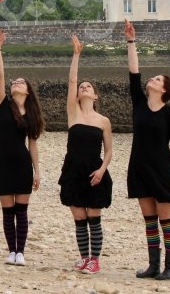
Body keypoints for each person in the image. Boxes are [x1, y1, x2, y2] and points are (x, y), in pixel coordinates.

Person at [124, 19, 170, 281]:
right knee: (149, 220)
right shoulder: (139, 103)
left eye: (158, 79)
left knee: (165, 220)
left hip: (161, 169)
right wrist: (131, 40)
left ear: (164, 90)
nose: (153, 79)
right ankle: (153, 266)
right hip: (138, 167)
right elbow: (134, 72)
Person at [58, 34, 113, 274]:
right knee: (79, 217)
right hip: (73, 170)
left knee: (94, 217)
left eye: (88, 87)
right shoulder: (74, 113)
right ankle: (83, 257)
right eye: (82, 87)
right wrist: (76, 55)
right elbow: (71, 81)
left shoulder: (103, 121)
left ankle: (95, 259)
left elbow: (109, 150)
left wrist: (102, 170)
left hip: (94, 171)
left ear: (95, 95)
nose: (83, 87)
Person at [0, 28, 45, 266]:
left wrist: (38, 171)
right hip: (2, 162)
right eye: (15, 81)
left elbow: (32, 144)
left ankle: (20, 252)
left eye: (21, 82)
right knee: (7, 211)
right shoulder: (2, 104)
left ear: (28, 91)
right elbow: (0, 76)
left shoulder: (31, 114)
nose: (16, 83)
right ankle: (10, 251)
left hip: (23, 164)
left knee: (21, 211)